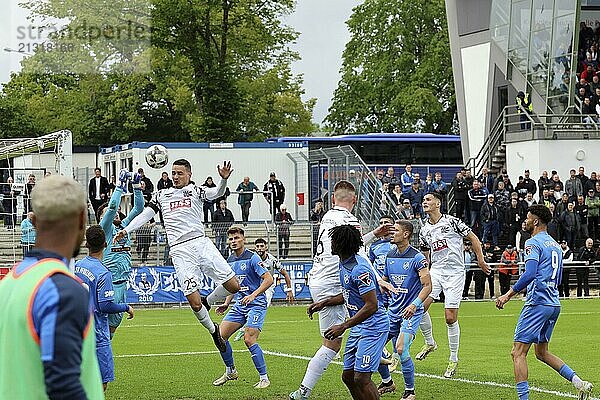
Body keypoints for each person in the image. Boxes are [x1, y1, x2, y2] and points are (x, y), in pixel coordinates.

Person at [113, 159, 241, 352]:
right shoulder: (162, 195)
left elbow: (217, 193)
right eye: (173, 173)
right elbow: (145, 215)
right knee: (193, 302)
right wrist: (127, 230)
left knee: (234, 286)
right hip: (180, 250)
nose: (175, 177)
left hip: (201, 243)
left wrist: (222, 180)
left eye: (179, 173)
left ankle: (210, 300)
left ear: (189, 174)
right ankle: (213, 330)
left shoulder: (196, 191)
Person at [0, 175, 104, 399]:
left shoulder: (9, 282)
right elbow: (63, 385)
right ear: (82, 219)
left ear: (34, 221)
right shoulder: (61, 289)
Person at [289, 180, 393, 400]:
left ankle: (381, 365)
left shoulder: (328, 216)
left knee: (355, 339)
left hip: (322, 278)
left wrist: (374, 233)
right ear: (354, 200)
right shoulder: (350, 222)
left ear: (333, 199)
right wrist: (378, 279)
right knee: (335, 345)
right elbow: (358, 251)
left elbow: (354, 247)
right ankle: (304, 392)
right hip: (332, 280)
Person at [495, 204, 593, 400]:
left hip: (538, 303)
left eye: (528, 217)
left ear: (536, 221)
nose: (525, 220)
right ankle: (579, 383)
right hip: (553, 303)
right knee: (541, 352)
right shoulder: (555, 244)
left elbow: (530, 273)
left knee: (518, 353)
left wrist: (507, 294)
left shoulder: (533, 243)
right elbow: (556, 278)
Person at [415, 192, 490, 378]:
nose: (425, 202)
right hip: (437, 271)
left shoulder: (452, 222)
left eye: (428, 200)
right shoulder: (424, 230)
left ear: (438, 203)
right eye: (423, 200)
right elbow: (425, 253)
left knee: (450, 317)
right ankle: (430, 342)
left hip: (455, 273)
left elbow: (473, 238)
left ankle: (453, 359)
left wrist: (480, 260)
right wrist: (424, 272)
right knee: (419, 308)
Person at [324, 224, 390, 400]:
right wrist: (324, 303)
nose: (331, 244)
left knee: (362, 378)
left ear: (341, 244)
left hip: (374, 326)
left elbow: (371, 305)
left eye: (334, 240)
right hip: (359, 326)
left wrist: (343, 326)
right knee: (348, 377)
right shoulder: (343, 262)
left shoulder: (359, 269)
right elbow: (350, 294)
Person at [75, 225, 135, 391]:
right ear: (106, 245)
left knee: (79, 378)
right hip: (96, 333)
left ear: (87, 244)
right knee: (100, 382)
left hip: (76, 329)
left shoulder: (77, 266)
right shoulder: (103, 273)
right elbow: (105, 305)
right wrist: (125, 307)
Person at [213, 227, 273, 389]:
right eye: (231, 239)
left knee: (249, 339)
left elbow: (269, 279)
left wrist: (253, 295)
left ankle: (264, 378)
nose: (233, 241)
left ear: (243, 239)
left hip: (256, 304)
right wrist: (226, 303)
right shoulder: (230, 261)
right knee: (220, 337)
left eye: (236, 238)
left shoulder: (252, 257)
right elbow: (232, 285)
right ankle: (231, 370)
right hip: (240, 305)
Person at [377, 220, 432, 400]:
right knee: (373, 346)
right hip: (392, 312)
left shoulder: (417, 258)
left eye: (396, 231)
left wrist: (414, 304)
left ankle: (410, 392)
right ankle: (387, 382)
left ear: (406, 234)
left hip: (411, 312)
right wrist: (382, 286)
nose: (392, 233)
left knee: (401, 349)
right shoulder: (390, 255)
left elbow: (427, 286)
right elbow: (385, 280)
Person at [96, 170, 144, 337]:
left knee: (111, 332)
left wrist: (136, 186)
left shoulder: (124, 226)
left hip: (123, 284)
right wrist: (119, 187)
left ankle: (101, 359)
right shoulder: (105, 229)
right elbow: (112, 208)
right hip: (109, 282)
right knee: (102, 331)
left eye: (117, 213)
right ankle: (96, 359)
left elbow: (138, 208)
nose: (116, 212)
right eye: (108, 213)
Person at [233, 237, 295, 342]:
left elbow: (285, 274)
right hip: (253, 287)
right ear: (254, 247)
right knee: (245, 305)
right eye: (257, 246)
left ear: (266, 247)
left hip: (267, 287)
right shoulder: (251, 258)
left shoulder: (272, 260)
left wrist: (289, 290)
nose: (259, 248)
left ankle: (247, 330)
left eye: (262, 246)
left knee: (262, 305)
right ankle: (244, 327)